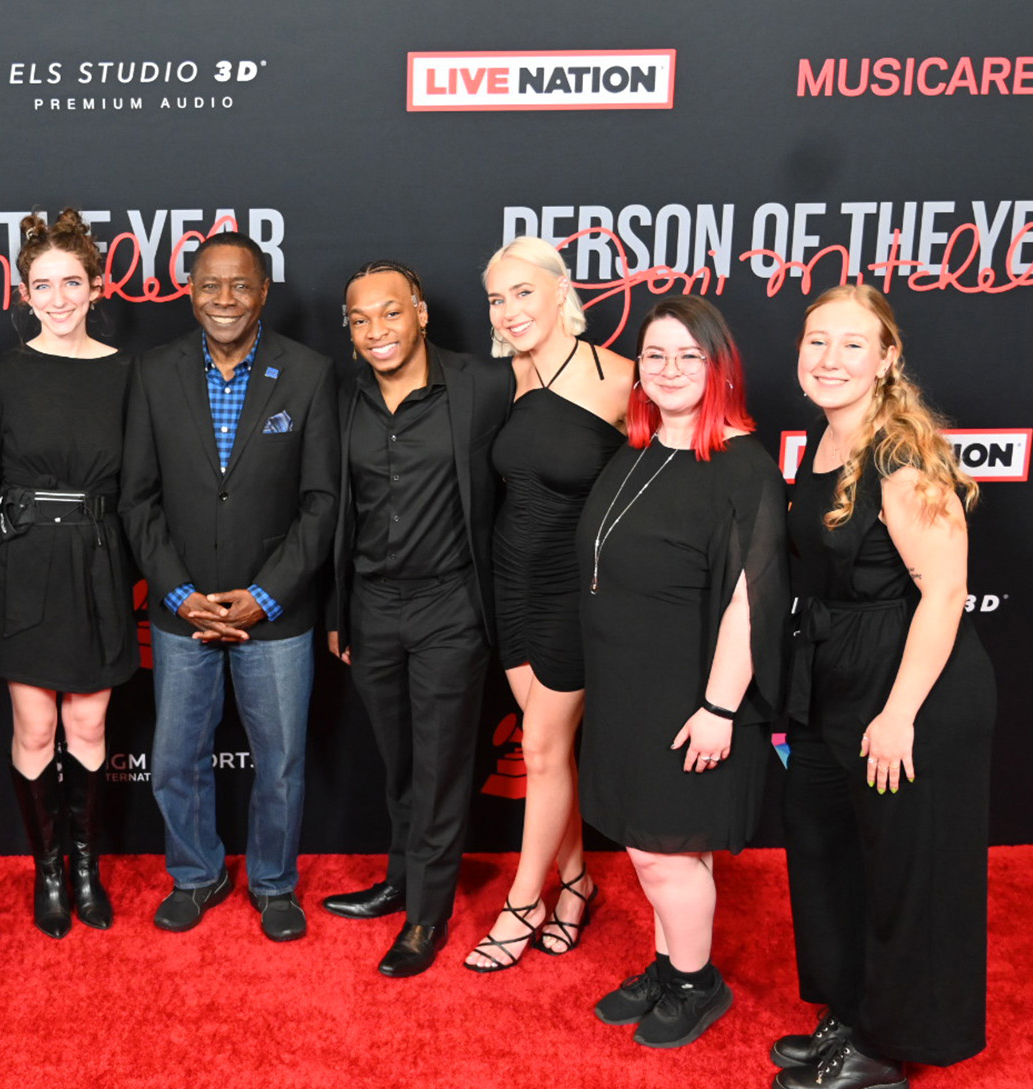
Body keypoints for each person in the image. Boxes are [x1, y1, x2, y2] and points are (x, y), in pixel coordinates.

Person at [772, 285, 995, 1089]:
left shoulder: (903, 455)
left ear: (887, 358)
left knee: (905, 873)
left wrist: (898, 714)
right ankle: (853, 1013)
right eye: (815, 342)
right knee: (829, 852)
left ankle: (886, 1050)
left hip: (912, 688)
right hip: (836, 680)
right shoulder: (825, 442)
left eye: (851, 345)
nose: (829, 359)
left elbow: (945, 592)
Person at [576, 296, 786, 1047]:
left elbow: (749, 601)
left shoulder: (742, 468)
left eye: (687, 357)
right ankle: (669, 969)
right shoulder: (637, 449)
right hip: (628, 690)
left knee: (662, 854)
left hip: (689, 696)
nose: (668, 371)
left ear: (717, 367)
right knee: (663, 846)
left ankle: (698, 985)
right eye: (655, 356)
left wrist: (720, 708)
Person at [119, 230, 338, 943]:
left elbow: (321, 502)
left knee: (279, 765)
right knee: (176, 761)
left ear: (264, 291)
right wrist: (178, 592)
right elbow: (138, 500)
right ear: (189, 292)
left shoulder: (307, 373)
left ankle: (275, 883)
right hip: (182, 613)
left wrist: (266, 594)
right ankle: (196, 872)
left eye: (240, 285)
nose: (224, 299)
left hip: (274, 616)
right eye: (210, 285)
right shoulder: (153, 373)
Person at [322, 261, 515, 977]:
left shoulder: (483, 386)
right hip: (372, 608)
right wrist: (340, 609)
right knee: (399, 758)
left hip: (450, 607)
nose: (377, 331)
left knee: (439, 767)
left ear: (422, 314)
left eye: (391, 314)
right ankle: (402, 880)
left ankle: (425, 918)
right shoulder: (345, 402)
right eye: (362, 320)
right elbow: (339, 514)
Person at [0, 209, 136, 938]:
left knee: (90, 721)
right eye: (45, 284)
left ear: (97, 287)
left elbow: (139, 485)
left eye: (73, 282)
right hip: (25, 562)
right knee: (35, 730)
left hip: (97, 560)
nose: (60, 297)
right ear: (24, 293)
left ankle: (87, 864)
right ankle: (47, 871)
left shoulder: (128, 373)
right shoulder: (1, 377)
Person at [466, 237, 631, 971]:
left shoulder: (624, 379)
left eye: (523, 292)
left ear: (565, 293)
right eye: (498, 298)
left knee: (538, 747)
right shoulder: (504, 379)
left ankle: (521, 903)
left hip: (575, 591)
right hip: (510, 585)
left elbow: (686, 471)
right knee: (548, 751)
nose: (509, 310)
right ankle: (576, 883)